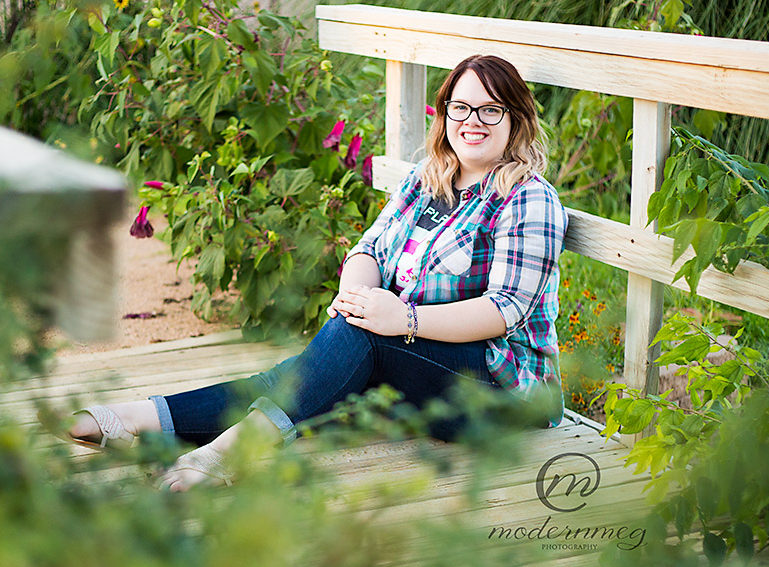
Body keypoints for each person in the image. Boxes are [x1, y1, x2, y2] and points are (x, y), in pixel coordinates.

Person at [66, 55, 570, 491]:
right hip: (417, 360)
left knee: (360, 343)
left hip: (502, 389)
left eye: (490, 109)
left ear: (516, 120)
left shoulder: (529, 197)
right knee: (302, 372)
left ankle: (226, 447)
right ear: (445, 116)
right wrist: (356, 294)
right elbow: (368, 248)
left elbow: (506, 309)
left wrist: (405, 320)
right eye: (461, 107)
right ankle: (144, 418)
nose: (472, 120)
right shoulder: (429, 179)